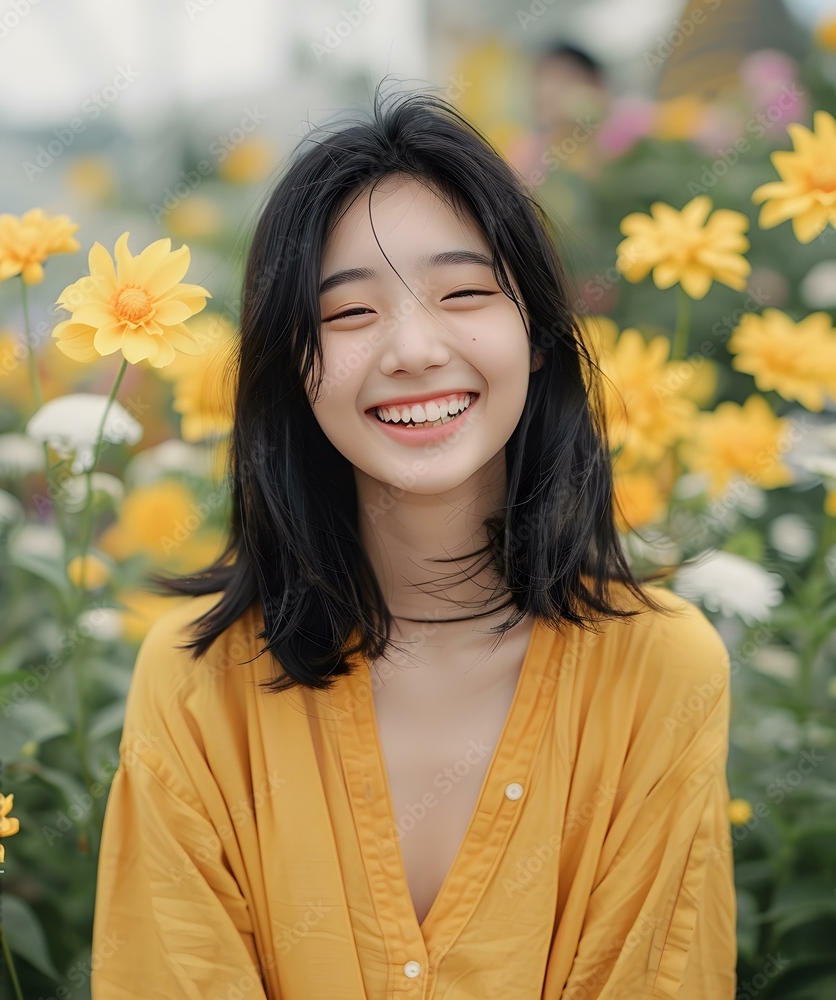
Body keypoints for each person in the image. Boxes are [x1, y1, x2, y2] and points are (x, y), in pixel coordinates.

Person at [91, 84, 737, 998]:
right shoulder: (196, 682)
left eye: (465, 292)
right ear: (293, 370)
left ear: (539, 336)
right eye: (349, 313)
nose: (413, 349)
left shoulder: (661, 672)